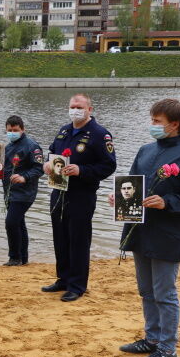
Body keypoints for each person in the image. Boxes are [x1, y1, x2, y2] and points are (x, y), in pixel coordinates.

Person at [111, 99, 180, 357]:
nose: (152, 125)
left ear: (174, 124)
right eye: (152, 120)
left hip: (169, 232)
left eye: (157, 121)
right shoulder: (145, 150)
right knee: (146, 290)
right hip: (140, 229)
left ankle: (168, 348)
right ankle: (152, 338)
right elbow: (133, 184)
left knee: (164, 292)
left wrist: (168, 202)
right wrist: (120, 198)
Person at [41, 93, 117, 302]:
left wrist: (81, 170)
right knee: (60, 237)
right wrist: (47, 165)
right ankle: (63, 279)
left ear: (89, 110)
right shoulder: (64, 130)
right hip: (58, 190)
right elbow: (52, 153)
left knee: (78, 240)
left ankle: (77, 285)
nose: (75, 110)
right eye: (72, 106)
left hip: (81, 194)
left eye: (79, 107)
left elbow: (108, 165)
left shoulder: (100, 134)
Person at [2, 115, 44, 266]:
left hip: (25, 192)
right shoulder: (8, 147)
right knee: (19, 223)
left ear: (23, 129)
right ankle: (23, 258)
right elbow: (5, 168)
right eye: (9, 130)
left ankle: (14, 257)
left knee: (11, 223)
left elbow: (39, 169)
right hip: (9, 192)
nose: (12, 132)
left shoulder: (32, 146)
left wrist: (24, 177)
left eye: (15, 130)